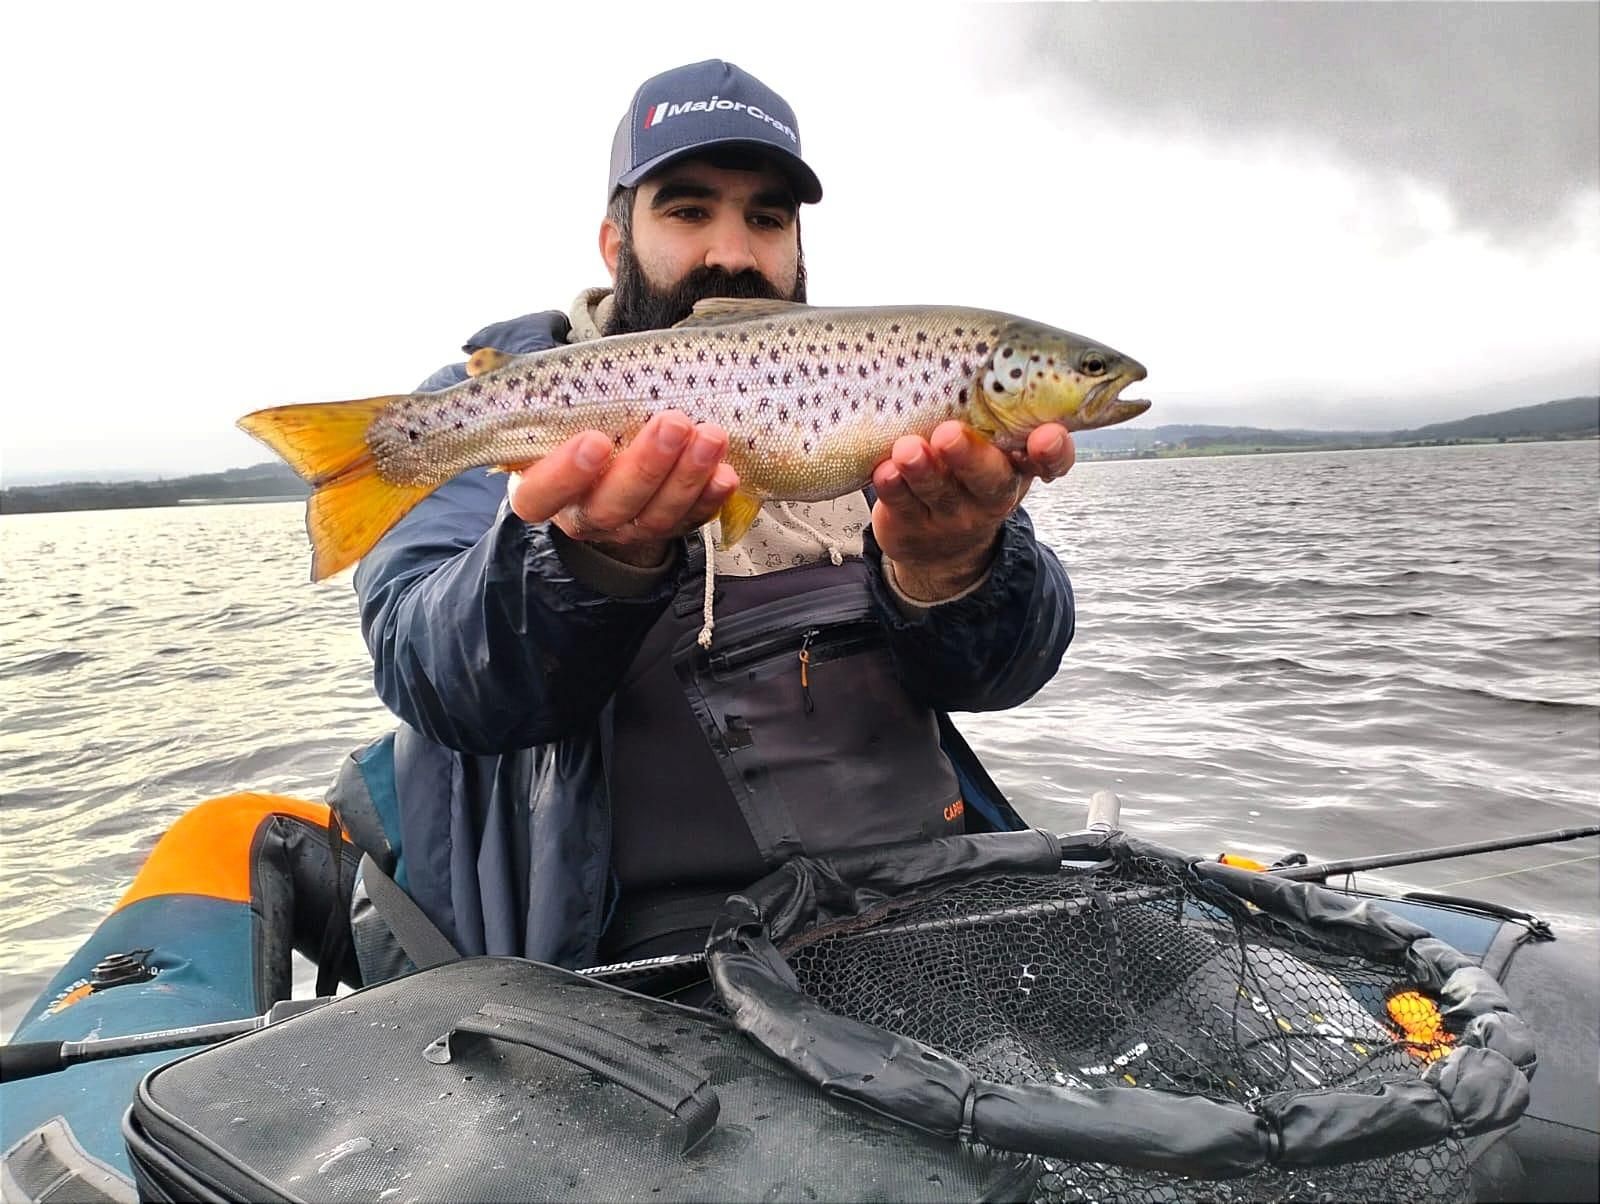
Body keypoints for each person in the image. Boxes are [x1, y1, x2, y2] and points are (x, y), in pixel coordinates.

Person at [327, 59, 1079, 986]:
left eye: (767, 218)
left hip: (924, 909)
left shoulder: (884, 396)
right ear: (614, 241)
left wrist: (954, 569)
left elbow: (1006, 673)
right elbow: (428, 674)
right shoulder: (486, 404)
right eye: (688, 211)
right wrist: (587, 560)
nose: (734, 252)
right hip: (631, 960)